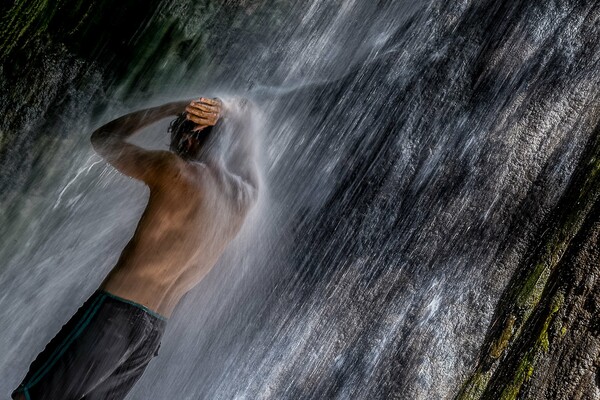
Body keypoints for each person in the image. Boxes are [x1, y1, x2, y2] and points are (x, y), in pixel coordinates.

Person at [12, 97, 260, 400]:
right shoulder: (244, 197)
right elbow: (249, 133)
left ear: (190, 135)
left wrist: (173, 107)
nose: (175, 147)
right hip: (150, 336)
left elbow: (104, 138)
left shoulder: (174, 171)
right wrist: (231, 116)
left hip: (112, 317)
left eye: (178, 136)